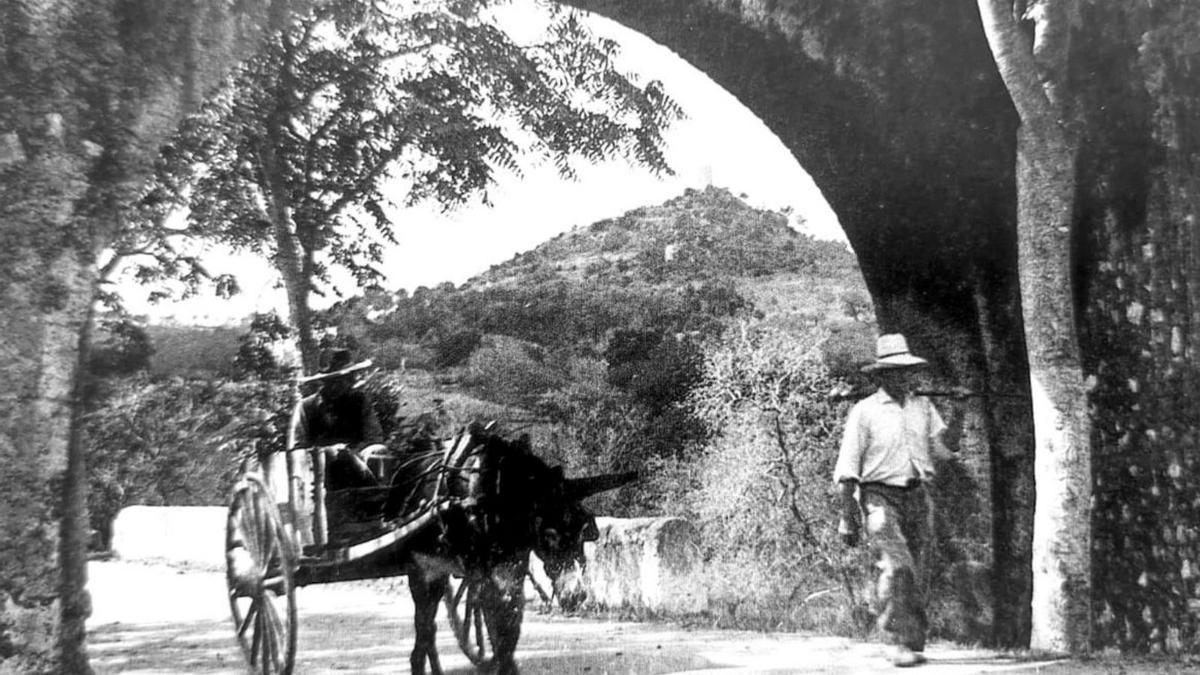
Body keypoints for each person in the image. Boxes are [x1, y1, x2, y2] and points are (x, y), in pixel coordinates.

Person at [834, 333, 952, 668]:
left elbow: (944, 450)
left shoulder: (923, 407)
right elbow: (848, 468)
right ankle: (898, 640)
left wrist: (957, 414)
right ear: (882, 376)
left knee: (918, 568)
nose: (905, 378)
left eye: (908, 371)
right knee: (898, 566)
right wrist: (847, 516)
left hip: (917, 494)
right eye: (896, 372)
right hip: (879, 496)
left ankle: (912, 642)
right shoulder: (865, 411)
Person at [289, 348, 385, 490]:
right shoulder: (306, 407)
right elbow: (297, 448)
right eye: (335, 381)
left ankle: (379, 498)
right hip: (321, 471)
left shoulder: (359, 400)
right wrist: (327, 451)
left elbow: (374, 436)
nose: (343, 385)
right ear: (324, 382)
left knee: (380, 451)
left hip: (359, 464)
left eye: (346, 379)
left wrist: (355, 453)